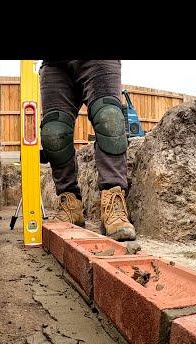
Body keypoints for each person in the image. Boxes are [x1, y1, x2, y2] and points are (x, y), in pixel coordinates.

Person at [39, 60, 136, 241]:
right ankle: (70, 203)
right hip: (55, 64)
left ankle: (113, 199)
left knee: (109, 118)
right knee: (54, 132)